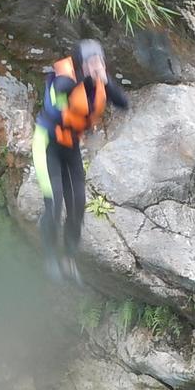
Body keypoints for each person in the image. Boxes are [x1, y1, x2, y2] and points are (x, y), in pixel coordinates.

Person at [33, 40, 129, 284]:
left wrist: (104, 80)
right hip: (47, 145)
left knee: (77, 207)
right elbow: (55, 105)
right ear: (81, 64)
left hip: (71, 148)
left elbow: (123, 103)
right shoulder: (63, 78)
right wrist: (85, 78)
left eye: (99, 61)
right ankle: (49, 255)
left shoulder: (99, 83)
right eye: (91, 62)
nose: (96, 65)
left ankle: (69, 257)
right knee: (54, 206)